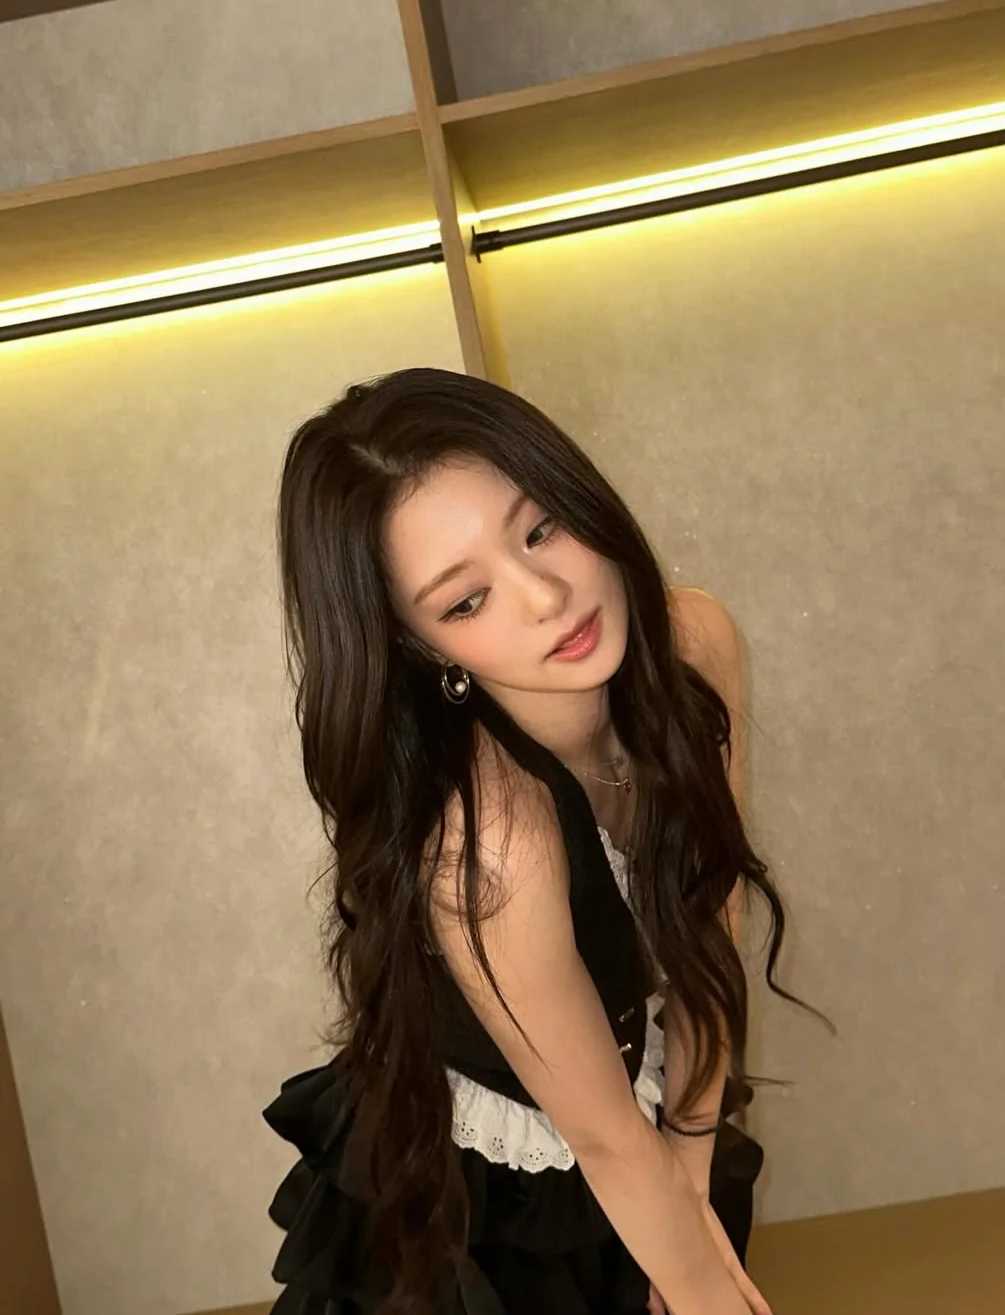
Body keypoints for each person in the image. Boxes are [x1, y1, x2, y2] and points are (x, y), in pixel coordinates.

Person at [262, 367, 800, 1315]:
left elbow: (708, 930)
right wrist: (695, 1278)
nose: (548, 597)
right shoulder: (490, 840)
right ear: (422, 646)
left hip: (643, 1113)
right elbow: (601, 1136)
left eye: (541, 528)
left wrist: (690, 1162)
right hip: (480, 1201)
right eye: (466, 601)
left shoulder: (694, 644)